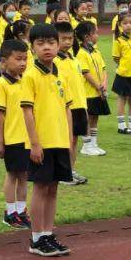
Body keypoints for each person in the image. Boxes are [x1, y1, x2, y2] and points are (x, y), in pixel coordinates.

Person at [21, 23, 74, 257]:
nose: (47, 48)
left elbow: (68, 109)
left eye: (51, 43)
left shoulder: (59, 74)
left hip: (59, 141)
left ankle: (47, 233)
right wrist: (34, 143)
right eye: (41, 43)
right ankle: (35, 238)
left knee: (53, 188)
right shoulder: (30, 76)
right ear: (32, 47)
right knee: (40, 188)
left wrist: (70, 141)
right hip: (41, 143)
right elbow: (27, 111)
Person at [0, 38, 31, 229]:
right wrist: (1, 141)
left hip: (27, 138)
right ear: (5, 61)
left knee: (24, 175)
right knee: (12, 174)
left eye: (25, 59)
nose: (23, 63)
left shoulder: (26, 80)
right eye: (18, 59)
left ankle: (22, 210)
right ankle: (9, 212)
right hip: (12, 137)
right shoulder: (1, 84)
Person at [54, 21, 88, 186]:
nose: (67, 42)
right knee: (66, 140)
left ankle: (70, 170)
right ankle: (63, 173)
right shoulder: (55, 62)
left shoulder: (73, 59)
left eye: (70, 38)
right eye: (63, 39)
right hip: (66, 107)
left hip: (80, 105)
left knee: (74, 140)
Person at [76, 22, 109, 157]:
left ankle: (93, 143)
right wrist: (98, 86)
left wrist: (104, 84)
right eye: (95, 32)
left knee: (95, 117)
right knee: (87, 118)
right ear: (87, 36)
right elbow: (86, 73)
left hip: (98, 91)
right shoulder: (81, 53)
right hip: (88, 92)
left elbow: (104, 69)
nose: (97, 35)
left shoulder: (96, 51)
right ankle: (86, 145)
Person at [112, 13, 131, 134]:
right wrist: (124, 67)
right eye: (125, 23)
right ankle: (122, 126)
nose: (128, 25)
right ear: (120, 25)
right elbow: (116, 58)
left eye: (130, 22)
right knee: (122, 100)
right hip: (123, 75)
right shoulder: (118, 41)